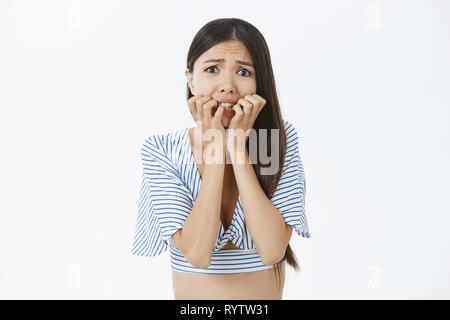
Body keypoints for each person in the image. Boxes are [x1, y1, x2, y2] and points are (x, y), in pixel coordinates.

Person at [131, 18, 311, 300]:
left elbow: (272, 249)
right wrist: (216, 150)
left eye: (243, 71)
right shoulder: (164, 150)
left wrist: (238, 149)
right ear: (190, 78)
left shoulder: (272, 141)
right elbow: (198, 253)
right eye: (212, 69)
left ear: (259, 81)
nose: (227, 86)